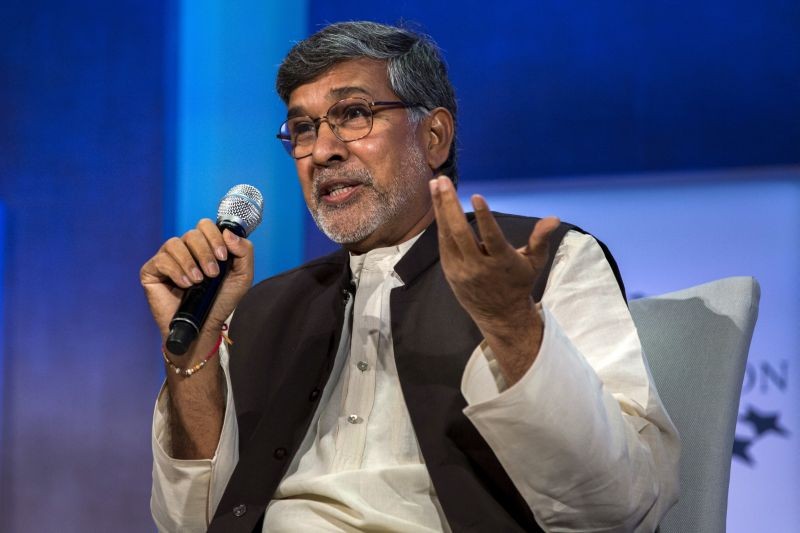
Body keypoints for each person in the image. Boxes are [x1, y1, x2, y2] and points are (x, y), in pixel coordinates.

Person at [142, 21, 679, 532]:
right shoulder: (266, 309)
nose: (323, 151)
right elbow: (194, 523)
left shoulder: (543, 262)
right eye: (303, 128)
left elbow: (620, 508)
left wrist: (511, 323)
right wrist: (194, 357)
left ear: (435, 137)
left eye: (353, 113)